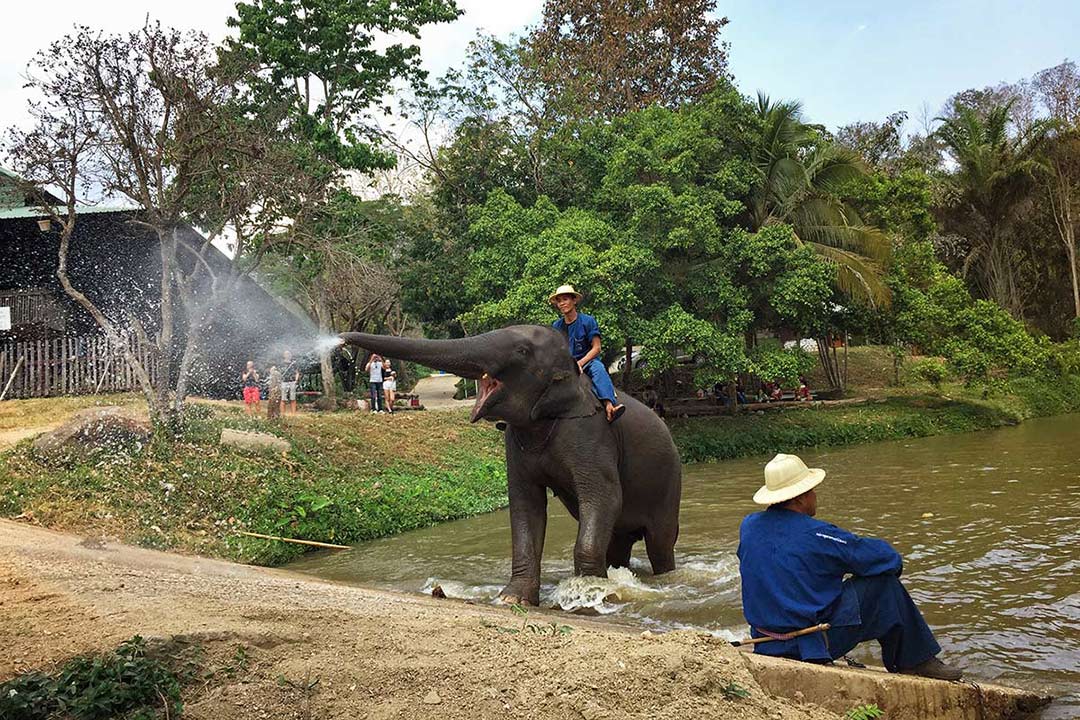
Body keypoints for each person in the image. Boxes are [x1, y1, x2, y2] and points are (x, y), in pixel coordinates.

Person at [736, 453, 962, 681]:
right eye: (812, 491)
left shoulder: (749, 526)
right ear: (801, 498)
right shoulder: (819, 535)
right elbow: (888, 559)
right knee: (885, 586)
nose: (815, 496)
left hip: (766, 642)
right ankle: (915, 661)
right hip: (806, 643)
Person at [549, 284, 625, 422]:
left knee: (598, 369)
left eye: (565, 299)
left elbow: (596, 348)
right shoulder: (556, 326)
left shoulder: (588, 321)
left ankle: (610, 406)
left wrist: (579, 363)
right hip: (567, 364)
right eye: (559, 301)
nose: (562, 303)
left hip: (588, 362)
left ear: (574, 300)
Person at [281, 350, 300, 415]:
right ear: (284, 355)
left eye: (289, 354)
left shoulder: (294, 363)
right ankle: (283, 414)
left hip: (292, 382)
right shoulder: (281, 363)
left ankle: (293, 414)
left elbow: (297, 372)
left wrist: (296, 380)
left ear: (291, 355)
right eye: (286, 354)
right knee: (283, 399)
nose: (288, 355)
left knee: (293, 398)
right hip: (283, 382)